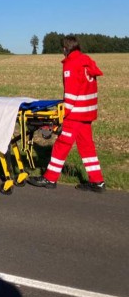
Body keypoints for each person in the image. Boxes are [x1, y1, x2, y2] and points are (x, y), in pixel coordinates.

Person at [28, 35, 106, 192]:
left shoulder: (71, 64)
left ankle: (50, 178)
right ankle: (97, 181)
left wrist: (61, 115)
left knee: (61, 144)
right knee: (87, 147)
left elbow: (71, 93)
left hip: (76, 114)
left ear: (65, 49)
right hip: (87, 112)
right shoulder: (86, 60)